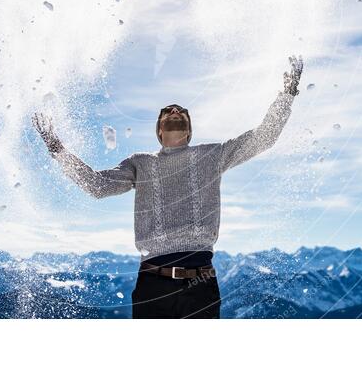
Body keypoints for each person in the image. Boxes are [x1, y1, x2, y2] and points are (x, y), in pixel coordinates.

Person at [32, 55, 303, 318]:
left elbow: (262, 138)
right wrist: (57, 149)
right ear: (159, 131)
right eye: (167, 111)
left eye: (181, 111)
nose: (174, 110)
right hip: (153, 286)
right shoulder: (140, 163)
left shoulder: (212, 155)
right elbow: (97, 185)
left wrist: (287, 95)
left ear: (188, 131)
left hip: (201, 285)